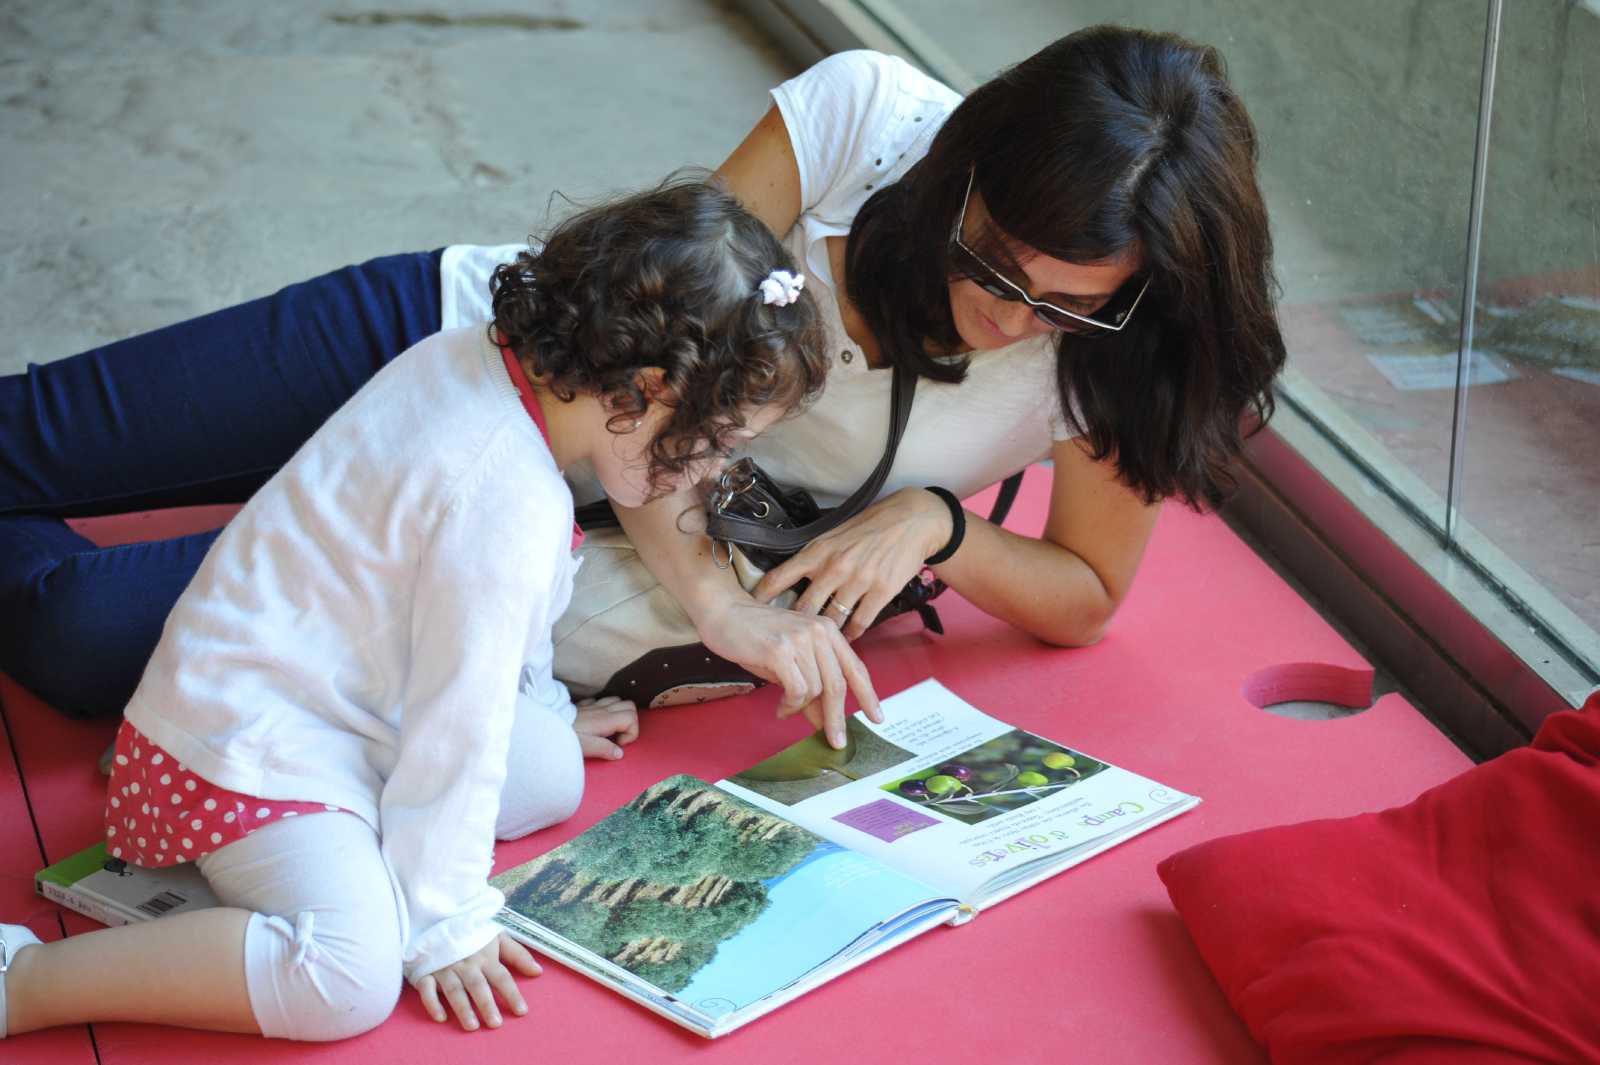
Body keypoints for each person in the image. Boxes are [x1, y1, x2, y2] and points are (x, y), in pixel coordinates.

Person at [0, 25, 1285, 743]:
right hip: (490, 349)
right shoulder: (865, 113)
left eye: (1063, 300)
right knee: (28, 436)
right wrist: (719, 607)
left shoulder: (1129, 348)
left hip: (557, 516)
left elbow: (1085, 594)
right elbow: (641, 348)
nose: (1008, 315)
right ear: (964, 167)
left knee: (80, 637)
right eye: (992, 257)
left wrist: (938, 524)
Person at [0, 177, 841, 1042]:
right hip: (246, 750)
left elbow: (498, 645)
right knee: (345, 980)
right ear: (649, 389)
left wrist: (547, 712)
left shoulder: (481, 361)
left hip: (338, 698)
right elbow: (457, 722)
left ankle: (376, 839)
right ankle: (22, 980)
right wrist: (444, 923)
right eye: (718, 441)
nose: (712, 472)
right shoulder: (505, 498)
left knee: (551, 768)